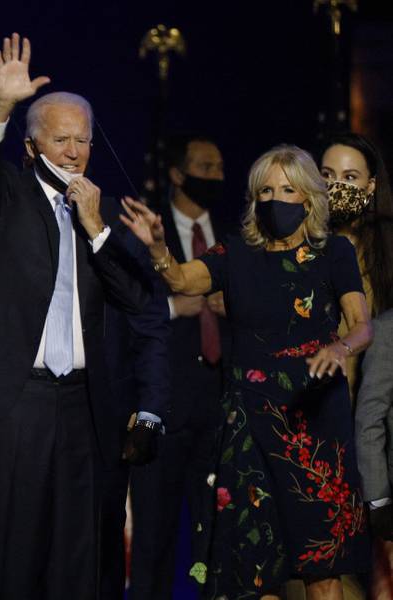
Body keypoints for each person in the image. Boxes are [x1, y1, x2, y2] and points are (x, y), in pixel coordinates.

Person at [0, 33, 165, 598]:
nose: (75, 152)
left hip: (86, 409)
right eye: (61, 140)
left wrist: (99, 231)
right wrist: (3, 105)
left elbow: (143, 306)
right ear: (33, 147)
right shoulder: (4, 197)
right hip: (15, 407)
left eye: (82, 141)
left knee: (80, 563)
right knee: (13, 560)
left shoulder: (103, 215)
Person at [121, 145, 373, 599]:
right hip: (249, 429)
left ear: (309, 198)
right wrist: (158, 245)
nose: (276, 199)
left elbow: (362, 326)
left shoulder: (333, 252)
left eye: (288, 189)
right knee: (255, 570)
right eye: (266, 190)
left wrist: (340, 347)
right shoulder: (234, 255)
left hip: (313, 427)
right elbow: (180, 279)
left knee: (322, 570)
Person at [128, 132, 231, 600]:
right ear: (177, 173)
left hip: (221, 411)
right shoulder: (146, 232)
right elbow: (127, 307)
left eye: (219, 169)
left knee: (216, 539)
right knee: (154, 538)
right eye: (205, 168)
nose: (216, 177)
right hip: (164, 408)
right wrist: (175, 307)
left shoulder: (236, 234)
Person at [319, 133, 393, 594]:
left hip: (374, 431)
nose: (336, 188)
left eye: (348, 178)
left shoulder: (386, 252)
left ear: (370, 187)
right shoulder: (295, 247)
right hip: (316, 421)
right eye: (326, 177)